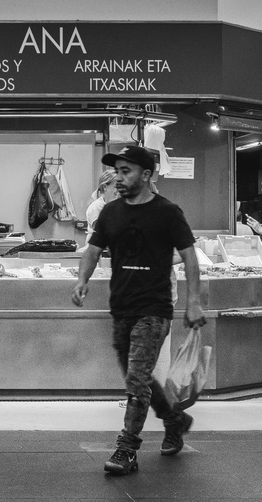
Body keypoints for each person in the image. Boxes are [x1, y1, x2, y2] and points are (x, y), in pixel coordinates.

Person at [71, 144, 206, 477]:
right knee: (140, 378)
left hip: (155, 308)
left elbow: (189, 255)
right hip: (121, 307)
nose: (119, 177)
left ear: (146, 175)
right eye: (117, 171)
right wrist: (82, 279)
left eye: (126, 171)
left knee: (135, 378)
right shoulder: (110, 212)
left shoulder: (167, 212)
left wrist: (194, 300)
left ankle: (127, 448)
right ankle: (175, 420)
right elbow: (93, 249)